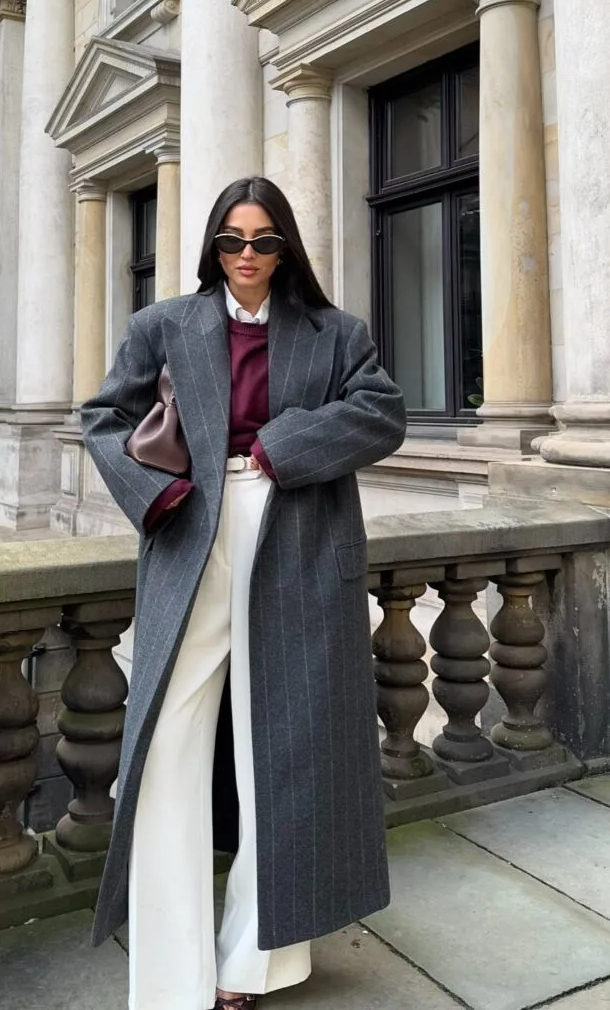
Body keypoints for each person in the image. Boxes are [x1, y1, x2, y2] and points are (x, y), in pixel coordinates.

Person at [81, 176, 407, 1010]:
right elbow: (102, 420)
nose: (248, 256)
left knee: (285, 750)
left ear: (285, 246)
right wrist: (151, 496)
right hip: (191, 532)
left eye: (263, 241)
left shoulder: (335, 333)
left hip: (296, 536)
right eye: (232, 240)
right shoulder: (163, 325)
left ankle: (253, 965)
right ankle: (168, 968)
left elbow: (382, 413)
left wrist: (278, 447)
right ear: (212, 247)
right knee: (166, 747)